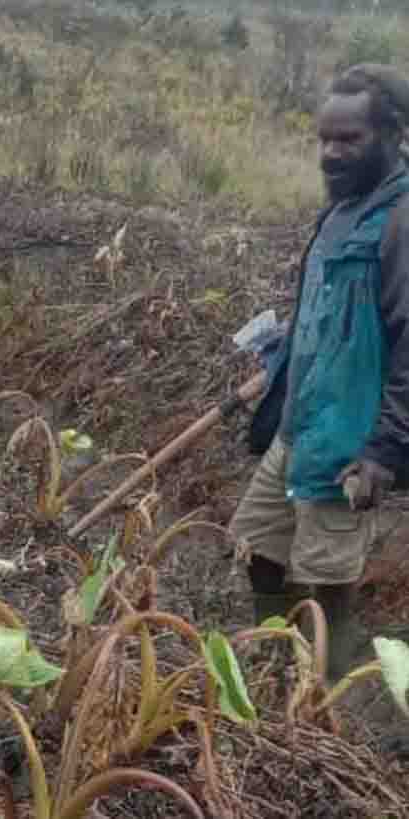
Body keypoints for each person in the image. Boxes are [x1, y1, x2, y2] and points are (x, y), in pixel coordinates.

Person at [232, 63, 409, 683]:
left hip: (349, 442)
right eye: (324, 139)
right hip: (301, 423)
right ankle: (274, 660)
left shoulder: (401, 224)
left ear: (394, 134)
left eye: (349, 140)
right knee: (256, 543)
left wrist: (383, 449)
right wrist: (275, 369)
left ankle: (325, 697)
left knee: (326, 585)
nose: (330, 154)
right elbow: (319, 317)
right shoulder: (340, 213)